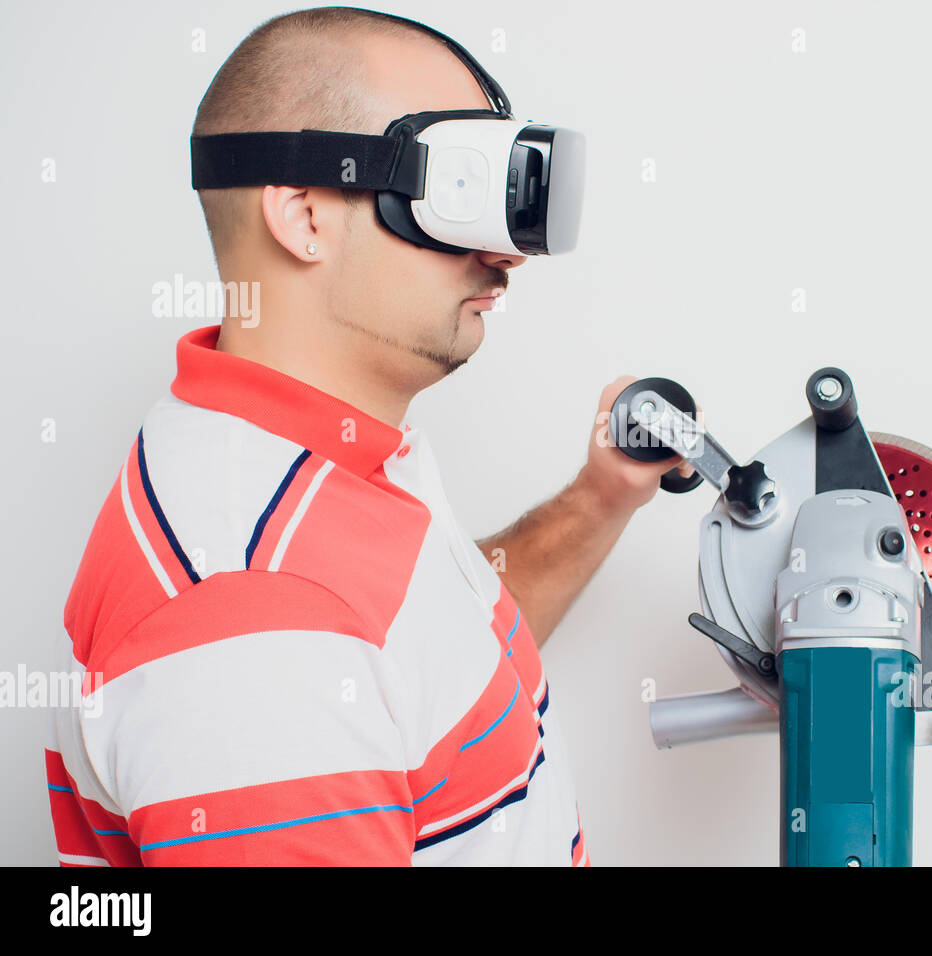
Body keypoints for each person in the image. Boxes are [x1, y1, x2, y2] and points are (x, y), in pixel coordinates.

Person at [45, 5, 690, 866]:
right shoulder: (253, 622)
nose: (506, 256)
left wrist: (600, 498)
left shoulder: (326, 465)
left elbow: (428, 663)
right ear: (305, 215)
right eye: (454, 190)